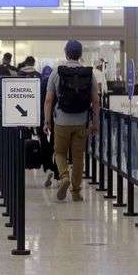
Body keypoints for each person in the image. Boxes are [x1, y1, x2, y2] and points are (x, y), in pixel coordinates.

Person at [43, 40, 100, 202]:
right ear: (80, 54)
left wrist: (47, 121)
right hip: (81, 121)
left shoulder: (56, 72)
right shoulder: (89, 73)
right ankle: (76, 192)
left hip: (61, 121)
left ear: (65, 52)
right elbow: (95, 100)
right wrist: (95, 123)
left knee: (60, 152)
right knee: (78, 157)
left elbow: (48, 100)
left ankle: (64, 177)